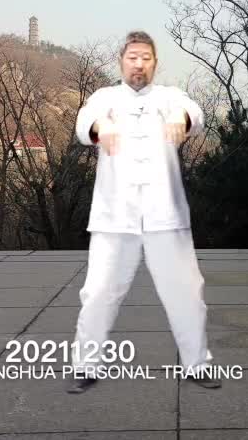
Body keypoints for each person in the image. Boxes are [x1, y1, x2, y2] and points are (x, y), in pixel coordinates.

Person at [67, 30, 220, 394]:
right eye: (132, 57)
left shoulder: (169, 97)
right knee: (99, 293)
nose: (139, 64)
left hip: (165, 214)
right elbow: (83, 123)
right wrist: (101, 126)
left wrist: (181, 117)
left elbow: (194, 113)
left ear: (155, 63)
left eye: (146, 58)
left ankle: (197, 363)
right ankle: (85, 366)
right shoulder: (104, 98)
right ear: (121, 61)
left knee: (187, 292)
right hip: (114, 216)